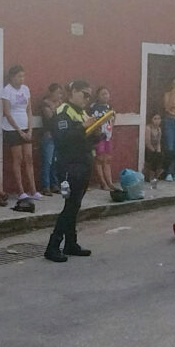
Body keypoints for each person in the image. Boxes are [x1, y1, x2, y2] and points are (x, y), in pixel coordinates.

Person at [44, 79, 105, 262]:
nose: (87, 99)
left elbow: (83, 140)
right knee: (70, 206)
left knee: (75, 205)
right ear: (73, 92)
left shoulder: (83, 113)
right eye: (84, 94)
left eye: (89, 95)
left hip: (84, 162)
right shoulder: (63, 112)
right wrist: (83, 128)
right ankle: (53, 246)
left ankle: (71, 243)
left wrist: (96, 134)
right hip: (69, 165)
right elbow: (62, 139)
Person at [1, 65, 40, 201]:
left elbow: (29, 110)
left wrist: (29, 129)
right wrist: (19, 131)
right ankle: (21, 190)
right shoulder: (7, 90)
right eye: (19, 76)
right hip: (12, 129)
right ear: (12, 77)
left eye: (23, 76)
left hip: (26, 127)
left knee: (29, 158)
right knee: (18, 159)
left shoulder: (25, 89)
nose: (22, 79)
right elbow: (7, 112)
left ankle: (33, 190)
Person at [39, 83, 64, 195]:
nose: (59, 96)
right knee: (47, 162)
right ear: (51, 92)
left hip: (57, 136)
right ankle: (46, 186)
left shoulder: (58, 104)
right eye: (58, 93)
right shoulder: (45, 104)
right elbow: (50, 117)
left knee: (55, 161)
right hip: (49, 135)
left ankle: (54, 184)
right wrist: (57, 108)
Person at [89, 86, 116, 191]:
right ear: (98, 96)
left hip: (108, 136)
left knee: (107, 159)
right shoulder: (93, 107)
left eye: (107, 93)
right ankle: (103, 183)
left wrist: (111, 127)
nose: (106, 96)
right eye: (103, 94)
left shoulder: (110, 107)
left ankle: (110, 182)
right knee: (99, 159)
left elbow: (113, 119)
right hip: (98, 136)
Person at [144, 112, 165, 183]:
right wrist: (154, 151)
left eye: (159, 119)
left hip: (155, 149)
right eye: (155, 119)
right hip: (148, 149)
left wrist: (158, 151)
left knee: (161, 155)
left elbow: (158, 143)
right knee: (155, 156)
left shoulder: (159, 129)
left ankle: (156, 175)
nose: (157, 121)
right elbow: (147, 143)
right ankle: (152, 176)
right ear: (151, 120)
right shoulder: (148, 128)